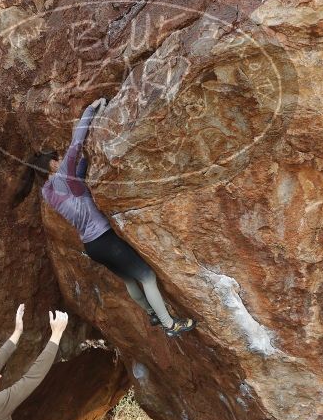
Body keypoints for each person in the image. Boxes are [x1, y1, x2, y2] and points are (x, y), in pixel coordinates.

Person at [13, 98, 196, 338]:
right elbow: (77, 142)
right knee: (147, 276)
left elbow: (77, 182)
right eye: (56, 158)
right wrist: (91, 109)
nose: (60, 159)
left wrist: (87, 161)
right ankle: (170, 325)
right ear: (52, 164)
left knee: (130, 280)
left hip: (93, 247)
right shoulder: (61, 177)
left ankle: (151, 313)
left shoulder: (48, 192)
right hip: (105, 239)